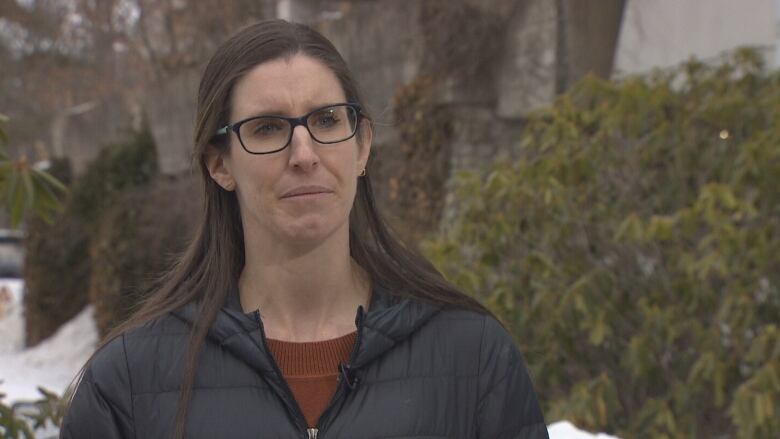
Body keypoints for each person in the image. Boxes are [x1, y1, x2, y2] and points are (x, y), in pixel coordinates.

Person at [60, 19, 548, 439]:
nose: (305, 154)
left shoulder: (473, 358)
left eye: (328, 120)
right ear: (219, 164)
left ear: (361, 147)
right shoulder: (128, 385)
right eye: (268, 128)